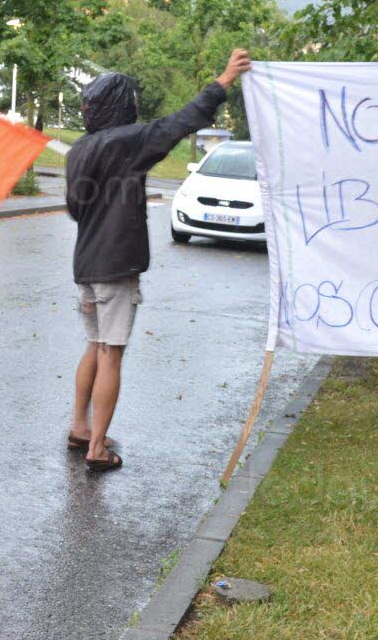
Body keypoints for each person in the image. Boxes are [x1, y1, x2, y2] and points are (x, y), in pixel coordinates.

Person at [66, 48, 252, 473]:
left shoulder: (79, 150)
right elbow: (181, 122)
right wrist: (224, 80)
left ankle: (80, 427)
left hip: (86, 266)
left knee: (94, 345)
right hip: (115, 267)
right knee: (111, 353)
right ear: (123, 107)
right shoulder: (127, 142)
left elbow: (76, 209)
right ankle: (97, 448)